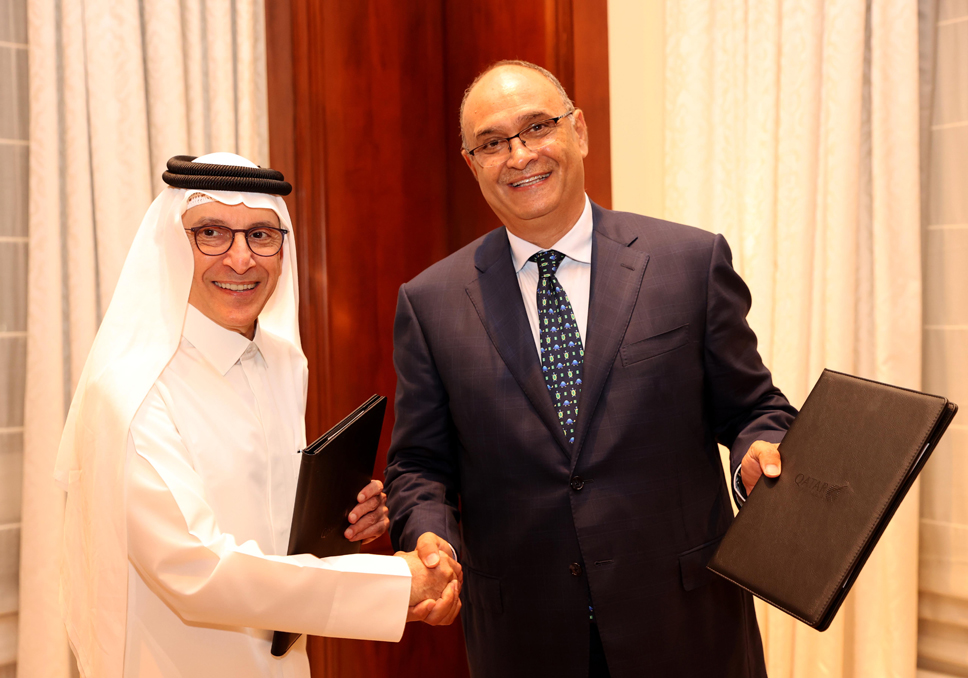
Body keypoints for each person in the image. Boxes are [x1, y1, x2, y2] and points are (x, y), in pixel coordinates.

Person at [384, 61, 797, 677]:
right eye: (492, 143)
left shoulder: (688, 262)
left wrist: (760, 449)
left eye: (537, 127)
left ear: (578, 131)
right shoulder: (430, 302)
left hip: (686, 628)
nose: (519, 155)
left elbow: (754, 408)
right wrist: (427, 532)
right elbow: (419, 464)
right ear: (471, 164)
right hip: (524, 640)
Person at [55, 153, 460, 678]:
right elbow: (196, 569)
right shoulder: (131, 392)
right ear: (174, 247)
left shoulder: (283, 361)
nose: (241, 259)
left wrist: (341, 524)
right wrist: (398, 583)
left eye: (261, 236)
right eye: (212, 233)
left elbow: (268, 523)